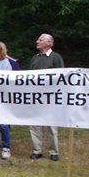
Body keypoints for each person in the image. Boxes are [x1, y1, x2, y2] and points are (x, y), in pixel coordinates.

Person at [28, 33, 64, 161]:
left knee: (51, 126)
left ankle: (54, 151)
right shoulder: (35, 58)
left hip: (50, 98)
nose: (37, 41)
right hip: (35, 97)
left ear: (49, 43)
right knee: (34, 125)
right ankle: (37, 150)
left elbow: (61, 77)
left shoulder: (56, 58)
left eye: (40, 39)